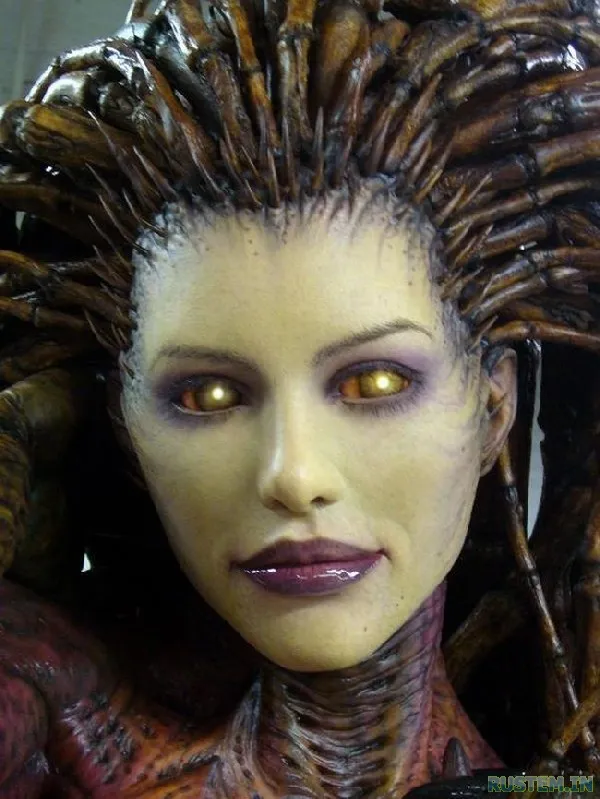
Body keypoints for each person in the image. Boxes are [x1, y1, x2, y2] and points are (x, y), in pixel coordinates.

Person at [0, 0, 599, 795]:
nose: (293, 474)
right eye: (208, 394)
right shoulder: (48, 719)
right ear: (124, 425)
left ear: (493, 408)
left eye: (375, 383)